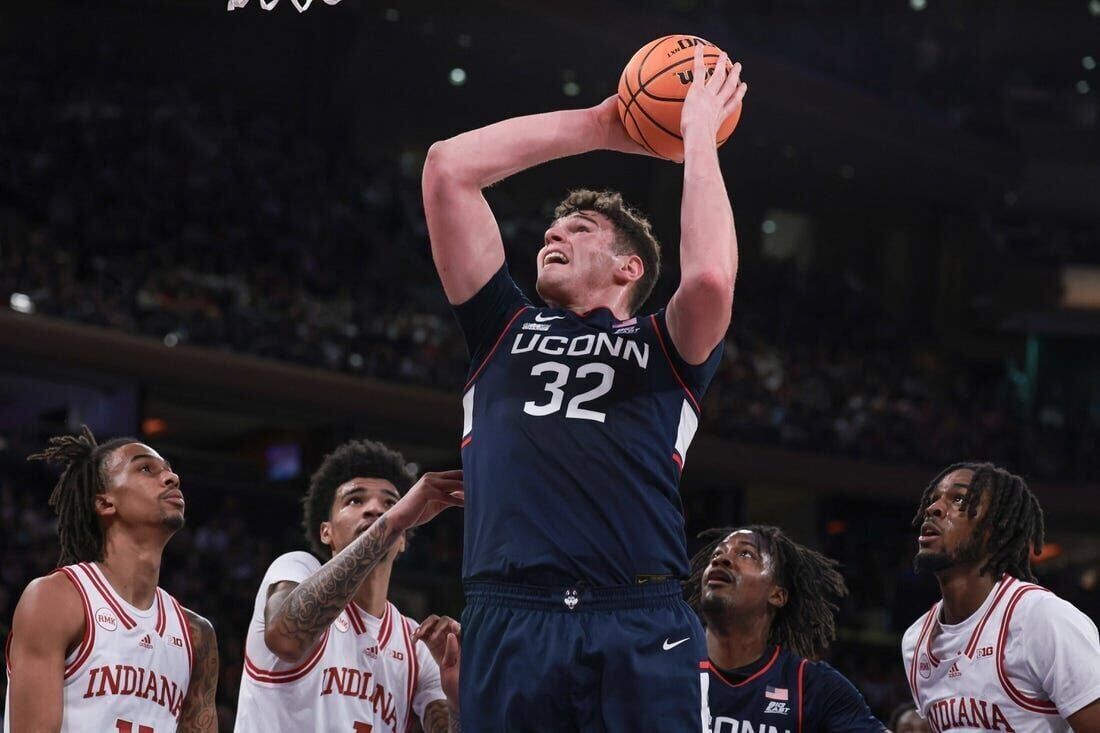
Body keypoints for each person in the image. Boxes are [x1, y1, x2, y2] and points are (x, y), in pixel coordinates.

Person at [422, 41, 746, 730]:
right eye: (551, 227)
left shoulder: (667, 345)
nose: (551, 234)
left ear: (630, 266)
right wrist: (605, 122)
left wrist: (696, 134)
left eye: (579, 228)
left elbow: (712, 277)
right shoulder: (500, 327)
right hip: (511, 615)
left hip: (638, 615)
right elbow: (449, 168)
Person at [234, 438, 463, 733]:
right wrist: (391, 523)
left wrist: (459, 698)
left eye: (391, 504)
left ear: (404, 540)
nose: (376, 510)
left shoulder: (415, 643)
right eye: (355, 500)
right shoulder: (295, 569)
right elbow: (286, 639)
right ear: (326, 532)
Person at [4, 426, 218, 732]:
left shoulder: (196, 635)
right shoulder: (58, 598)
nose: (172, 478)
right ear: (105, 503)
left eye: (170, 471)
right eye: (146, 469)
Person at [902, 462, 1100, 731]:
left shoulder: (1041, 619)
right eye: (933, 499)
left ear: (993, 529)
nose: (933, 508)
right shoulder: (915, 642)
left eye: (958, 499)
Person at [690, 525, 885, 732]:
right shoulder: (668, 663)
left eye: (746, 554)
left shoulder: (812, 686)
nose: (720, 559)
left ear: (777, 595)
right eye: (717, 553)